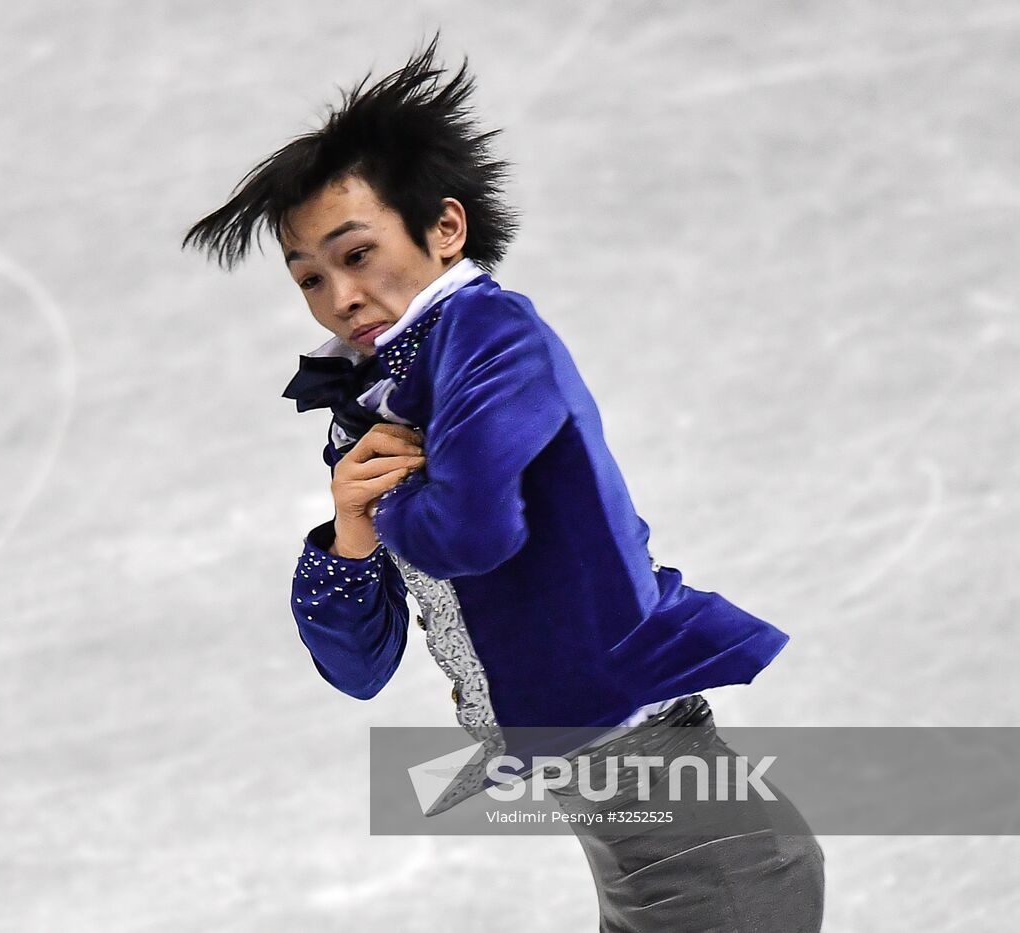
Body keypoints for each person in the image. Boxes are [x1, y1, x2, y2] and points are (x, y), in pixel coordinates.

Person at [182, 34, 824, 932]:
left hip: (708, 856)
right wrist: (351, 526)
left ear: (445, 228)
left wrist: (395, 495)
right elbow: (357, 667)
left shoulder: (491, 333)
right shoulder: (369, 398)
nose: (338, 297)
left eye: (356, 254)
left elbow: (473, 532)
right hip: (647, 856)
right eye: (309, 277)